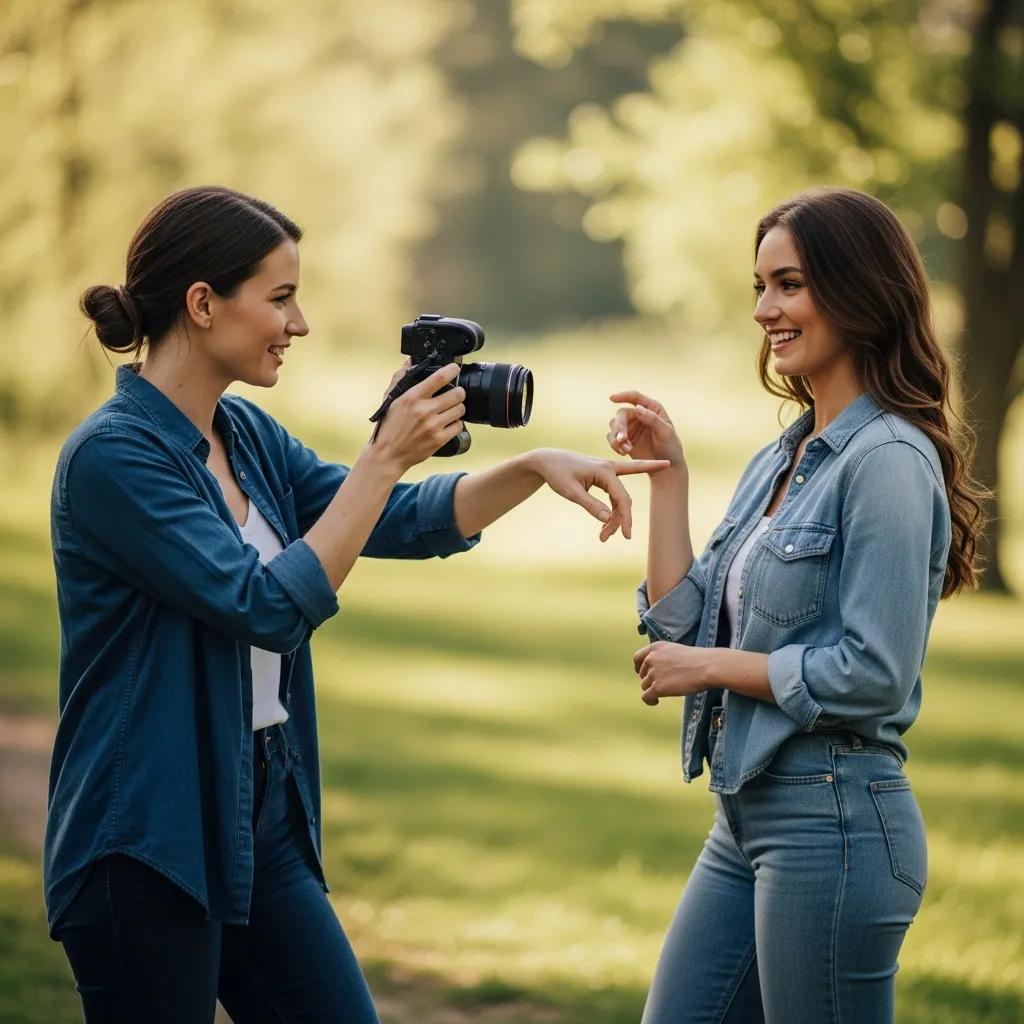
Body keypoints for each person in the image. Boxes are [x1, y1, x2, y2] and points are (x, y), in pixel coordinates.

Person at [46, 185, 668, 1023]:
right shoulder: (113, 460)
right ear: (202, 304)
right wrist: (383, 457)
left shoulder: (246, 436)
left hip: (258, 810)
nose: (299, 324)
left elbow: (392, 517)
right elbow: (263, 604)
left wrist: (530, 469)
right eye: (280, 298)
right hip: (148, 835)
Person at [606, 187, 987, 1023]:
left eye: (789, 285)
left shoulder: (887, 459)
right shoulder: (784, 456)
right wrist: (668, 478)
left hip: (837, 824)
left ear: (858, 291)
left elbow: (874, 674)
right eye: (759, 287)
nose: (764, 310)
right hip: (744, 818)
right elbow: (684, 620)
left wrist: (708, 668)